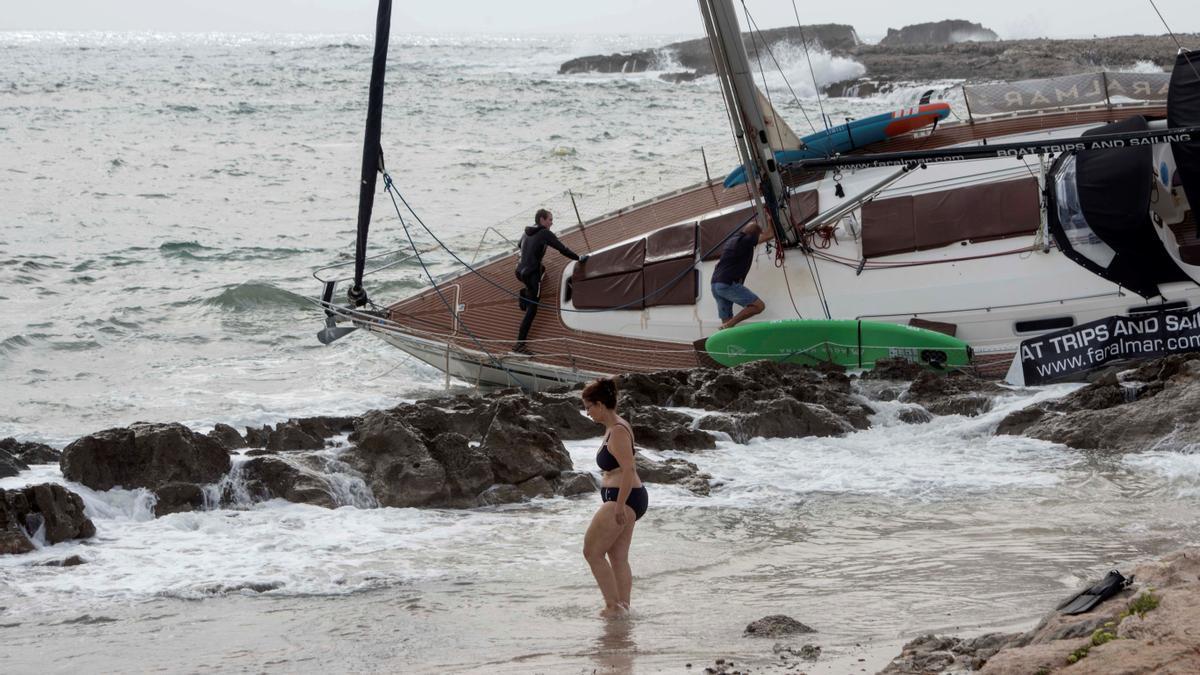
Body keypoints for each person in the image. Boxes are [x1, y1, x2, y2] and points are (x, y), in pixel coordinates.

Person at [581, 377, 647, 618]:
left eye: (589, 407)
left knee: (591, 552)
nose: (587, 413)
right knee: (617, 556)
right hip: (629, 497)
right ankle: (624, 609)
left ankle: (612, 607)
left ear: (600, 404)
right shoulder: (615, 427)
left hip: (624, 498)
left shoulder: (618, 430)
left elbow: (629, 469)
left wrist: (619, 506)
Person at [513, 209, 588, 355]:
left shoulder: (527, 231)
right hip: (530, 275)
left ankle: (525, 291)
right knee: (533, 309)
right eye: (550, 220)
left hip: (519, 271)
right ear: (542, 220)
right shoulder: (544, 233)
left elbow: (519, 245)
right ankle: (519, 345)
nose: (552, 223)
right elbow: (562, 249)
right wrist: (578, 258)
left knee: (542, 268)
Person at [710, 216, 774, 329]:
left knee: (726, 320)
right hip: (727, 283)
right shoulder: (746, 240)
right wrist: (770, 220)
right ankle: (731, 324)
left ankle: (727, 338)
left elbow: (718, 264)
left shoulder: (731, 240)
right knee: (758, 306)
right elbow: (769, 235)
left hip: (715, 284)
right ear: (754, 235)